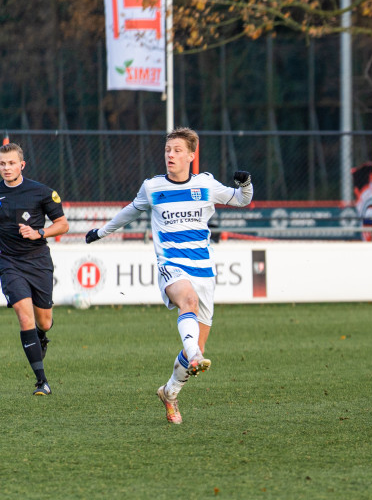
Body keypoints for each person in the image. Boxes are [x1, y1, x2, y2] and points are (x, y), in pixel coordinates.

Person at [85, 127, 253, 424]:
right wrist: (100, 232)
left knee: (196, 350)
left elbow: (241, 199)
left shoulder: (206, 184)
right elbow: (129, 212)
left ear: (191, 155)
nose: (170, 155)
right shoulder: (152, 187)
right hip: (171, 264)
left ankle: (170, 392)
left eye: (177, 150)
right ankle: (194, 355)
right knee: (186, 302)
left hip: (204, 269)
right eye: (167, 150)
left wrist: (246, 183)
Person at [0, 143, 69, 395]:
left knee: (44, 321)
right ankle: (42, 381)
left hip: (38, 262)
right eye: (2, 164)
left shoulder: (41, 192)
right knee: (23, 315)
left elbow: (62, 225)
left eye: (10, 163)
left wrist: (39, 232)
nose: (6, 168)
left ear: (22, 165)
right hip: (8, 263)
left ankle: (41, 334)